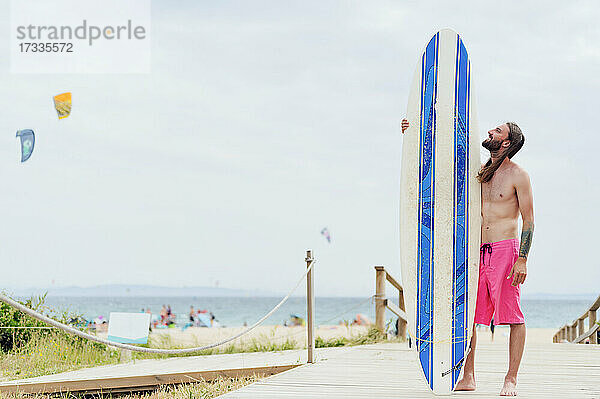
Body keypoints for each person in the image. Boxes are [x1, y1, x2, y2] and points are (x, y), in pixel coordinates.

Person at [401, 119, 533, 396]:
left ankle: (511, 378)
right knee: (469, 315)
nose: (490, 131)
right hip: (475, 252)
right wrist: (414, 132)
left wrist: (522, 258)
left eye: (497, 131)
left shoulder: (518, 175)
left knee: (513, 316)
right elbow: (439, 160)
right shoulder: (479, 172)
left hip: (505, 250)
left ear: (506, 142)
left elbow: (529, 221)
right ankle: (468, 375)